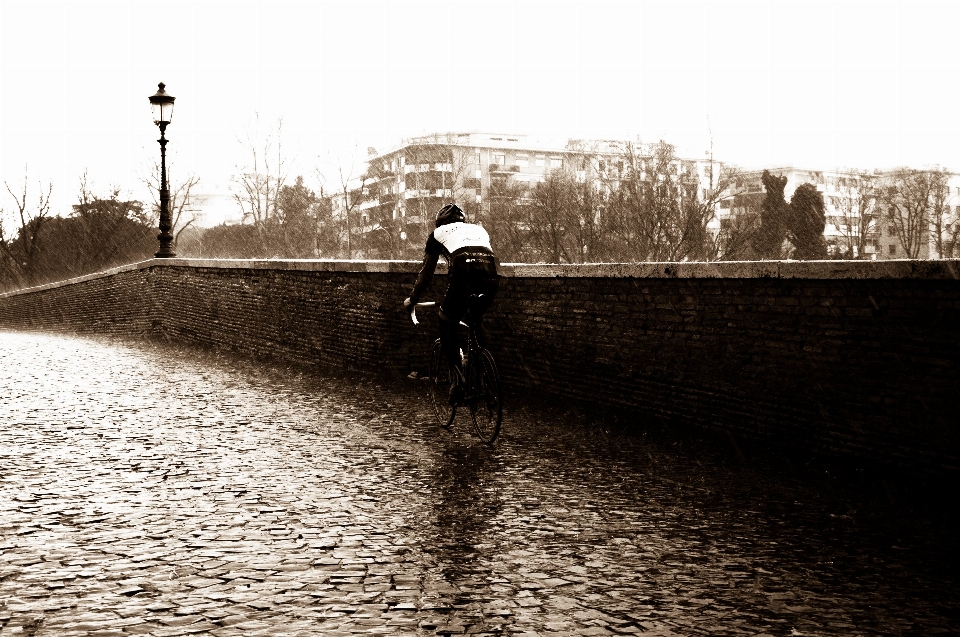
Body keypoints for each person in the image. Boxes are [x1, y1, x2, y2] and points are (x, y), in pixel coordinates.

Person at [404, 203, 499, 401]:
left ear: (440, 223)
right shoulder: (479, 229)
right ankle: (487, 375)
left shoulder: (438, 233)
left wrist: (413, 299)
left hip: (463, 276)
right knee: (476, 320)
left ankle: (457, 381)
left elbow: (426, 273)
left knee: (446, 321)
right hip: (491, 277)